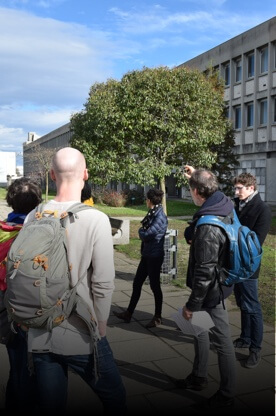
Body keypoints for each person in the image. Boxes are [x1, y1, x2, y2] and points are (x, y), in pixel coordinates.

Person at [24, 147, 126, 415]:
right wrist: (100, 327)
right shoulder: (95, 219)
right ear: (85, 174)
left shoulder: (33, 215)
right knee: (115, 398)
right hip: (81, 330)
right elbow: (103, 282)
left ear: (52, 175)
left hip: (39, 329)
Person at [177, 165, 236, 409]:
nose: (189, 193)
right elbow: (207, 185)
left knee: (223, 343)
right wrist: (195, 175)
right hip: (214, 286)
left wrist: (192, 305)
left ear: (197, 191)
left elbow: (204, 272)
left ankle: (227, 394)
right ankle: (199, 376)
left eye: (191, 188)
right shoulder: (223, 202)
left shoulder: (208, 228)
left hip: (211, 293)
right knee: (200, 332)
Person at [4, 177, 42, 413]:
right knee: (33, 368)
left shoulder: (3, 230)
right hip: (33, 310)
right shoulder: (38, 235)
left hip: (7, 311)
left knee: (16, 366)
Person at [232, 173, 271, 368]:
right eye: (236, 188)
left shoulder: (262, 210)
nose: (236, 191)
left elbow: (255, 243)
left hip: (248, 266)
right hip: (234, 263)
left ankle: (255, 349)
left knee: (252, 307)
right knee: (241, 303)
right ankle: (245, 337)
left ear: (251, 188)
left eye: (239, 188)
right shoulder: (236, 203)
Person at [114, 188, 168, 328]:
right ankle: (129, 313)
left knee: (155, 286)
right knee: (137, 283)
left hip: (155, 256)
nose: (145, 201)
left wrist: (140, 231)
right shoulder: (153, 212)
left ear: (149, 201)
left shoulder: (160, 216)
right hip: (147, 254)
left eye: (146, 199)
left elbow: (147, 234)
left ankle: (157, 317)